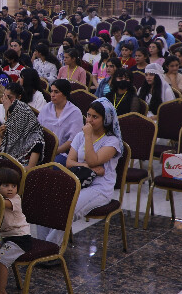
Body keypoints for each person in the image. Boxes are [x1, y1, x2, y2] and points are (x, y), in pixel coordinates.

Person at [36, 98, 122, 244]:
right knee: (46, 201)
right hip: (76, 182)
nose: (89, 120)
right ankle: (41, 244)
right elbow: (69, 163)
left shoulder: (111, 141)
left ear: (105, 120)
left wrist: (88, 136)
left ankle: (51, 247)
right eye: (88, 115)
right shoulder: (80, 135)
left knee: (68, 208)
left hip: (99, 188)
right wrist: (88, 167)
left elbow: (93, 160)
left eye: (95, 117)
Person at [0, 167, 31, 294]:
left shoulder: (15, 199)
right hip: (6, 236)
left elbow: (2, 204)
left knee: (0, 260)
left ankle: (1, 292)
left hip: (20, 238)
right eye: (6, 185)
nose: (10, 189)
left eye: (14, 186)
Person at [0, 83, 45, 168]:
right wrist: (2, 137)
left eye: (9, 97)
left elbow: (30, 169)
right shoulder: (11, 131)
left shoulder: (36, 140)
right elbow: (1, 156)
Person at [38, 79, 84, 163]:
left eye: (56, 92)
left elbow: (73, 140)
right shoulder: (46, 108)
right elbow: (38, 130)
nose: (52, 95)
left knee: (53, 163)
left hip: (64, 152)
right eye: (51, 91)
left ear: (65, 94)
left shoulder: (75, 112)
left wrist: (54, 152)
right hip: (43, 150)